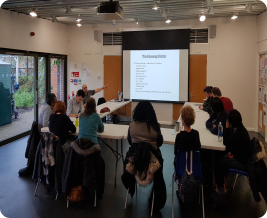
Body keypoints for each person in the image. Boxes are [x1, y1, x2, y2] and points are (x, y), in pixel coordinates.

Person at [220, 109, 252, 176]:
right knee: (220, 157)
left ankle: (222, 183)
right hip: (240, 157)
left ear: (231, 124)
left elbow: (225, 142)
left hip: (242, 163)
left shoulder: (239, 133)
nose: (227, 121)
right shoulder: (240, 128)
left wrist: (226, 128)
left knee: (220, 162)